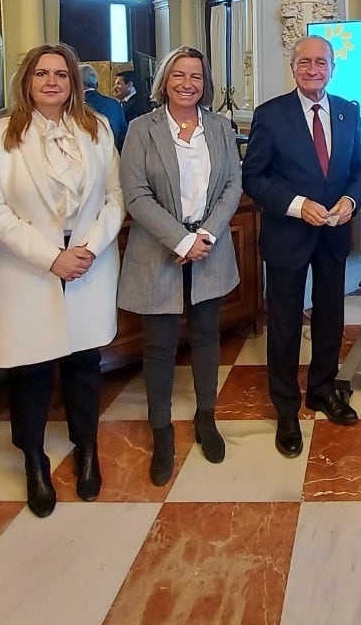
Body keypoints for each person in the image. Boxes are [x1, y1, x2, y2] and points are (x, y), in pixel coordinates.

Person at [0, 44, 124, 519]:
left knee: (85, 364)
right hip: (27, 267)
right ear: (26, 81)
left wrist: (88, 249)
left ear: (74, 83)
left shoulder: (96, 129)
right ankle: (34, 460)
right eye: (42, 73)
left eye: (61, 73)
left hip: (87, 263)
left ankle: (86, 449)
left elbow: (115, 196)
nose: (52, 81)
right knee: (31, 371)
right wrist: (50, 258)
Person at [242, 35, 361, 458]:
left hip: (334, 234)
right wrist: (299, 206)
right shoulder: (271, 114)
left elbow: (360, 170)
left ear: (332, 68)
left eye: (321, 62)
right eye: (304, 62)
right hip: (288, 234)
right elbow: (255, 178)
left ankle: (321, 390)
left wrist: (351, 200)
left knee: (331, 317)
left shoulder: (349, 112)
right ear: (293, 67)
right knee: (283, 325)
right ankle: (285, 407)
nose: (313, 69)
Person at [118, 47, 242, 483]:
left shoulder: (221, 127)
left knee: (208, 337)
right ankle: (161, 429)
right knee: (160, 346)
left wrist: (204, 235)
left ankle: (206, 417)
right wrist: (181, 239)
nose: (188, 83)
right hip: (160, 251)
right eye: (179, 75)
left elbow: (232, 184)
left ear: (204, 82)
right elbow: (134, 193)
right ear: (164, 81)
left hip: (210, 248)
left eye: (196, 76)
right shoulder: (140, 128)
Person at [80, 63, 127, 151]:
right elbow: (124, 136)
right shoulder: (114, 104)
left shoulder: (75, 106)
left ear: (77, 83)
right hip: (113, 157)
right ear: (97, 84)